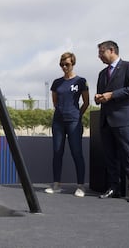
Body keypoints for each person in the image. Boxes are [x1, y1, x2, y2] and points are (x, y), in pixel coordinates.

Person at [95, 40, 129, 203]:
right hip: (106, 120)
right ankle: (113, 187)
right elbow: (101, 94)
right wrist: (99, 97)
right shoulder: (102, 73)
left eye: (101, 52)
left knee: (128, 155)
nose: (99, 56)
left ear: (112, 50)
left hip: (124, 120)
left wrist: (112, 94)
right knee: (110, 157)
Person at [44, 52, 89, 197]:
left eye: (67, 64)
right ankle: (56, 184)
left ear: (73, 64)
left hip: (74, 122)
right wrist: (62, 112)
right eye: (62, 64)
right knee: (57, 152)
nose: (64, 67)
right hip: (58, 122)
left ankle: (81, 186)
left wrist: (77, 114)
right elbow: (55, 102)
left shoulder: (81, 81)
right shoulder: (57, 83)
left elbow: (86, 102)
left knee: (77, 152)